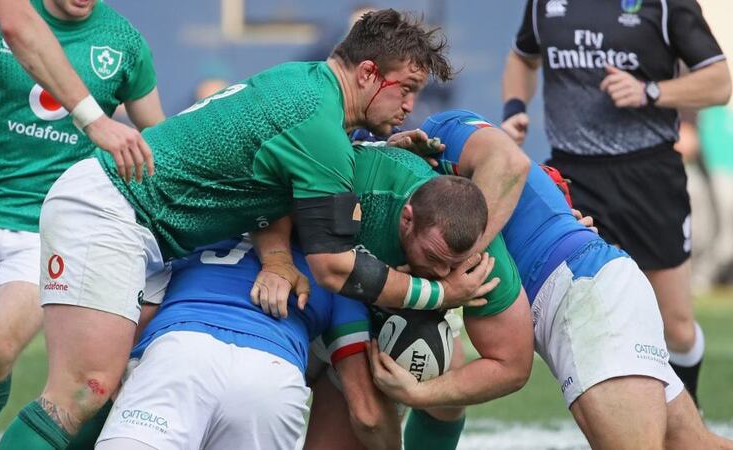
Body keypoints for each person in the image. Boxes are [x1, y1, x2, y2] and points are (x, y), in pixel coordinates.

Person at [0, 9, 496, 450]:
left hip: (150, 231)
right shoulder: (319, 127)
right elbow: (333, 267)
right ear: (368, 73)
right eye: (405, 89)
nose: (411, 105)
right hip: (114, 212)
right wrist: (438, 293)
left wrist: (281, 255)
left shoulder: (306, 86)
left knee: (114, 389)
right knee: (84, 390)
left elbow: (266, 184)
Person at [366, 109, 733, 450]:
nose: (406, 102)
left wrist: (420, 392)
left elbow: (511, 162)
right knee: (691, 444)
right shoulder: (400, 196)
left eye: (411, 87)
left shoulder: (442, 134)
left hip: (582, 290)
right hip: (591, 289)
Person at [0, 1, 153, 449]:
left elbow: (158, 135)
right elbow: (11, 31)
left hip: (45, 230)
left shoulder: (125, 42)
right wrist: (95, 121)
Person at [501, 0, 732, 403]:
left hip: (648, 176)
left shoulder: (666, 4)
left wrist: (651, 90)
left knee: (675, 327)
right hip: (572, 176)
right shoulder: (544, 4)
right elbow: (522, 58)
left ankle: (683, 419)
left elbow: (719, 82)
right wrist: (515, 109)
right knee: (567, 311)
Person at [302, 144, 534, 450]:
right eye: (433, 256)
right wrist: (275, 259)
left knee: (439, 383)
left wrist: (417, 394)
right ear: (407, 219)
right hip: (311, 291)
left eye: (451, 263)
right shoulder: (363, 186)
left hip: (366, 317)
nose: (441, 270)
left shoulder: (482, 264)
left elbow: (513, 367)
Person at [90, 236, 396, 450]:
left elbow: (139, 310)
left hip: (181, 355)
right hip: (272, 380)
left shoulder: (202, 230)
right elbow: (367, 415)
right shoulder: (337, 276)